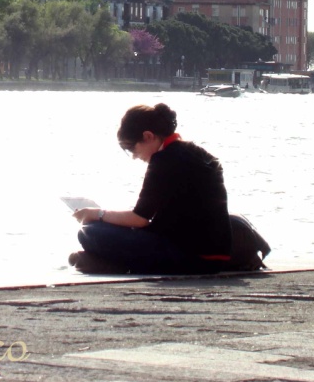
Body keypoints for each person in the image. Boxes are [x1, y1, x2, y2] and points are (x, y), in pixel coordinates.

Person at [70, 102, 233, 275]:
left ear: (148, 136)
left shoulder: (163, 160)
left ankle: (115, 263)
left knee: (90, 232)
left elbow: (140, 218)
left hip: (188, 257)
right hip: (216, 257)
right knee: (108, 230)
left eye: (132, 148)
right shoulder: (198, 152)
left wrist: (96, 214)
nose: (134, 156)